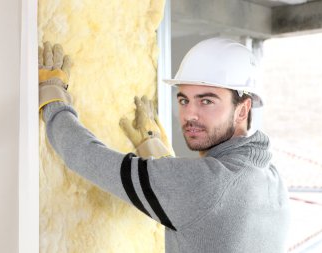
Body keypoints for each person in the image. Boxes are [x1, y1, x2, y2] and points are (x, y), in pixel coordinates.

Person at [39, 38, 290, 253]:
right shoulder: (272, 181)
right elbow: (196, 205)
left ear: (242, 109)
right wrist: (152, 144)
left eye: (206, 101)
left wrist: (53, 97)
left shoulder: (208, 185)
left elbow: (84, 155)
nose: (189, 114)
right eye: (183, 100)